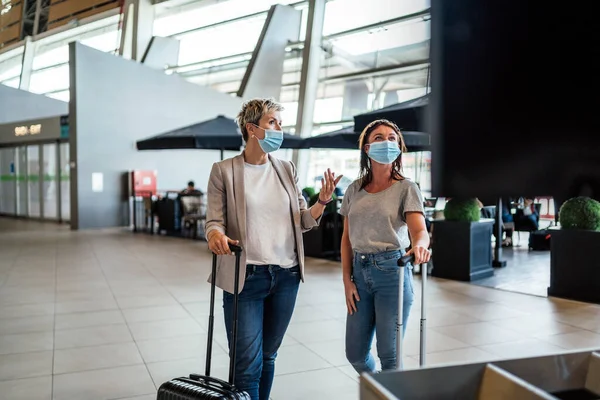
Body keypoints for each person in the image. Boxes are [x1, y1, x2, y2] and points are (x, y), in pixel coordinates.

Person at [205, 98, 341, 400]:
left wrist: (322, 201)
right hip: (246, 277)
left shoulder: (286, 168)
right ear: (252, 128)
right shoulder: (224, 171)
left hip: (286, 277)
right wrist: (216, 235)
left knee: (267, 358)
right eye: (273, 122)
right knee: (246, 367)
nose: (280, 128)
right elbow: (214, 221)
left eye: (280, 122)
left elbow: (303, 221)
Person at [339, 119, 431, 373]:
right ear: (366, 149)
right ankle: (381, 387)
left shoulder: (407, 188)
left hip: (393, 271)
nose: (387, 142)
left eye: (392, 138)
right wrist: (347, 280)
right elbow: (347, 238)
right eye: (379, 138)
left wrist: (421, 246)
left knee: (389, 356)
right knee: (355, 355)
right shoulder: (354, 189)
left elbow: (419, 231)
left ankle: (385, 391)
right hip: (359, 271)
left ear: (399, 147)